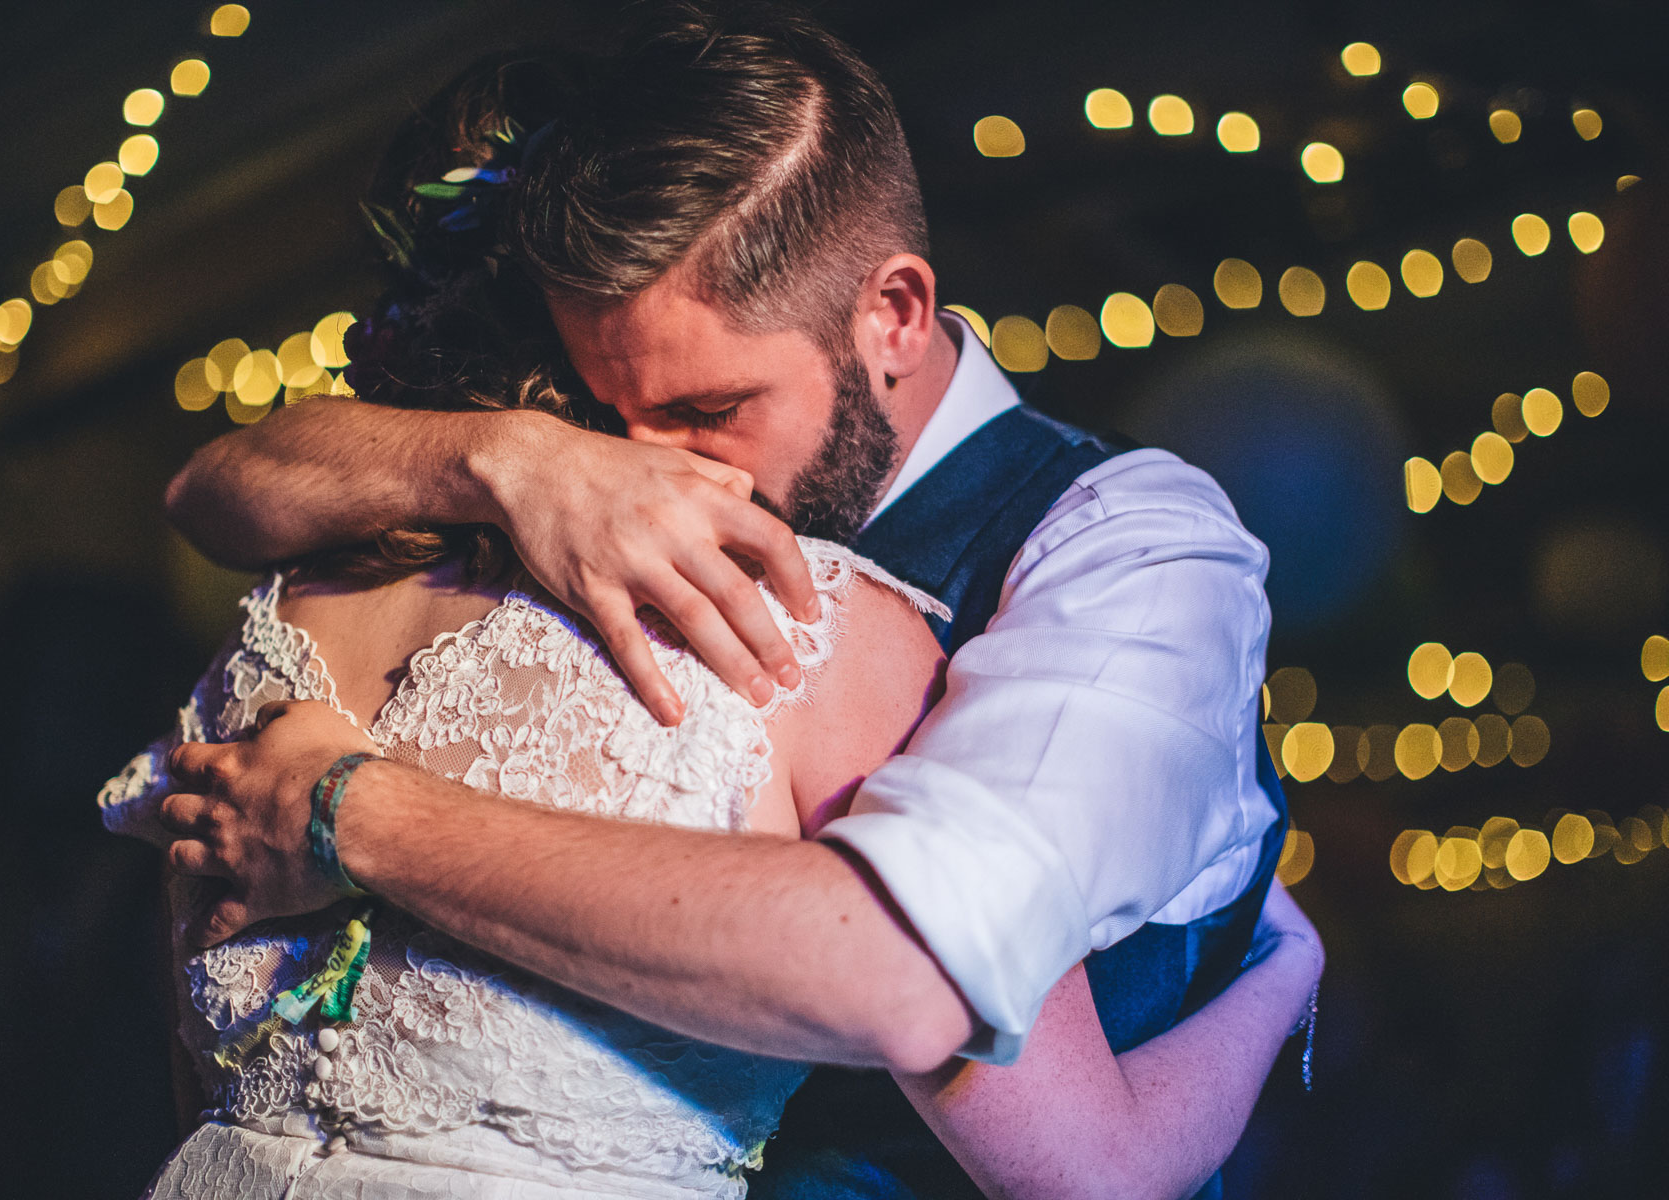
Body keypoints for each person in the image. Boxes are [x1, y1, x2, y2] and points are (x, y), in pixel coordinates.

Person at [156, 4, 1295, 1194]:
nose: (660, 472)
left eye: (709, 412)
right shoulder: (551, 491)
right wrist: (517, 456)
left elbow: (912, 972)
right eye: (612, 412)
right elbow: (208, 488)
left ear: (892, 314)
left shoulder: (1131, 551)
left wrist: (358, 818)